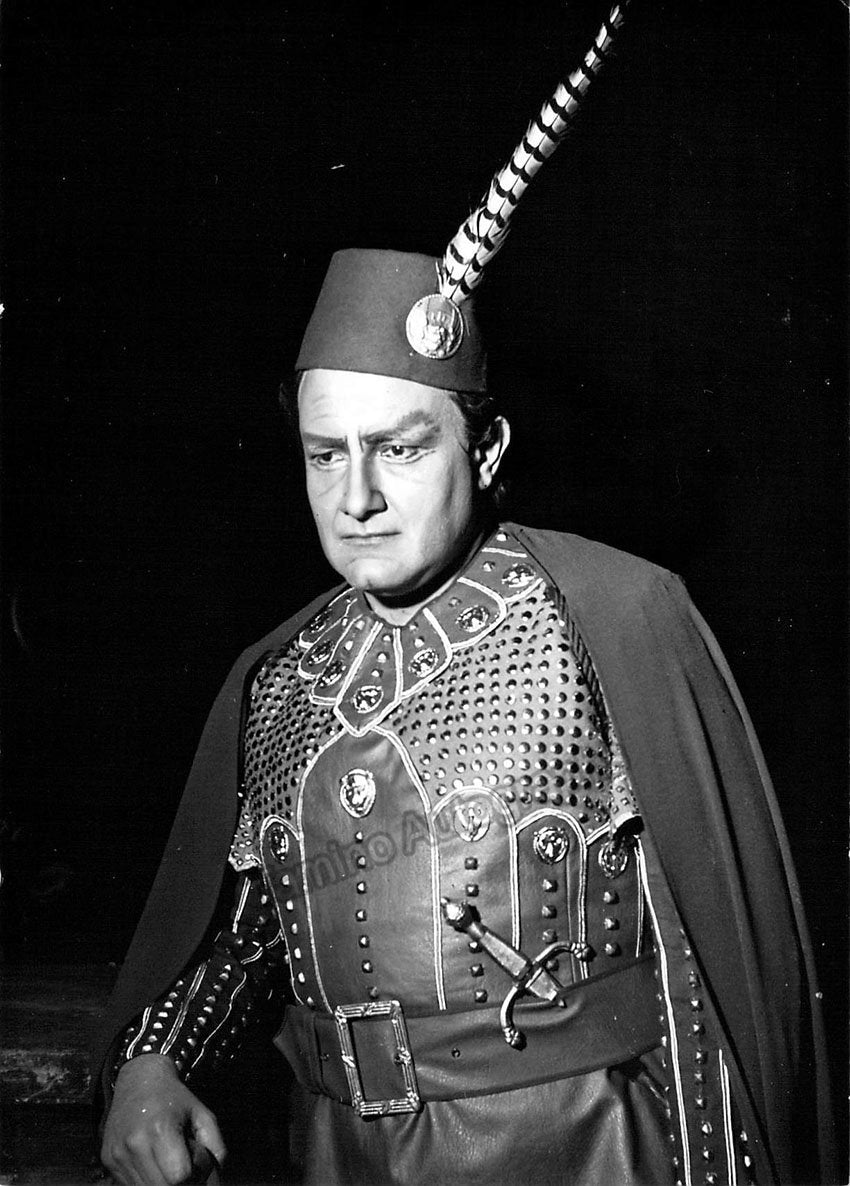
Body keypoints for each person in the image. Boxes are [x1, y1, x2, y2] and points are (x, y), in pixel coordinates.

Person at [94, 14, 834, 1186]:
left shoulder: (607, 623)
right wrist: (153, 1059)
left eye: (399, 448)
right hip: (339, 1154)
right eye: (324, 454)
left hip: (583, 1152)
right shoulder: (277, 683)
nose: (357, 496)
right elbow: (245, 936)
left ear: (484, 451)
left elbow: (705, 978)